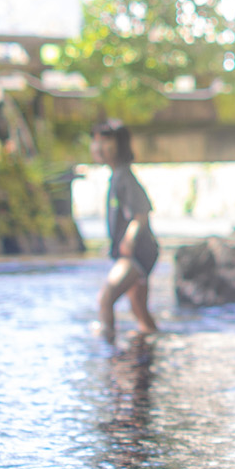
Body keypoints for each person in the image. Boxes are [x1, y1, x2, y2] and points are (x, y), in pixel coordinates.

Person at [93, 120, 159, 343]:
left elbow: (140, 214)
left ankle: (107, 347)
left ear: (119, 146)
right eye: (97, 141)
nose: (99, 147)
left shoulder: (125, 177)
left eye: (106, 142)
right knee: (140, 312)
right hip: (133, 253)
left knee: (106, 298)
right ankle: (149, 345)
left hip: (137, 253)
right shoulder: (117, 176)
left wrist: (128, 241)